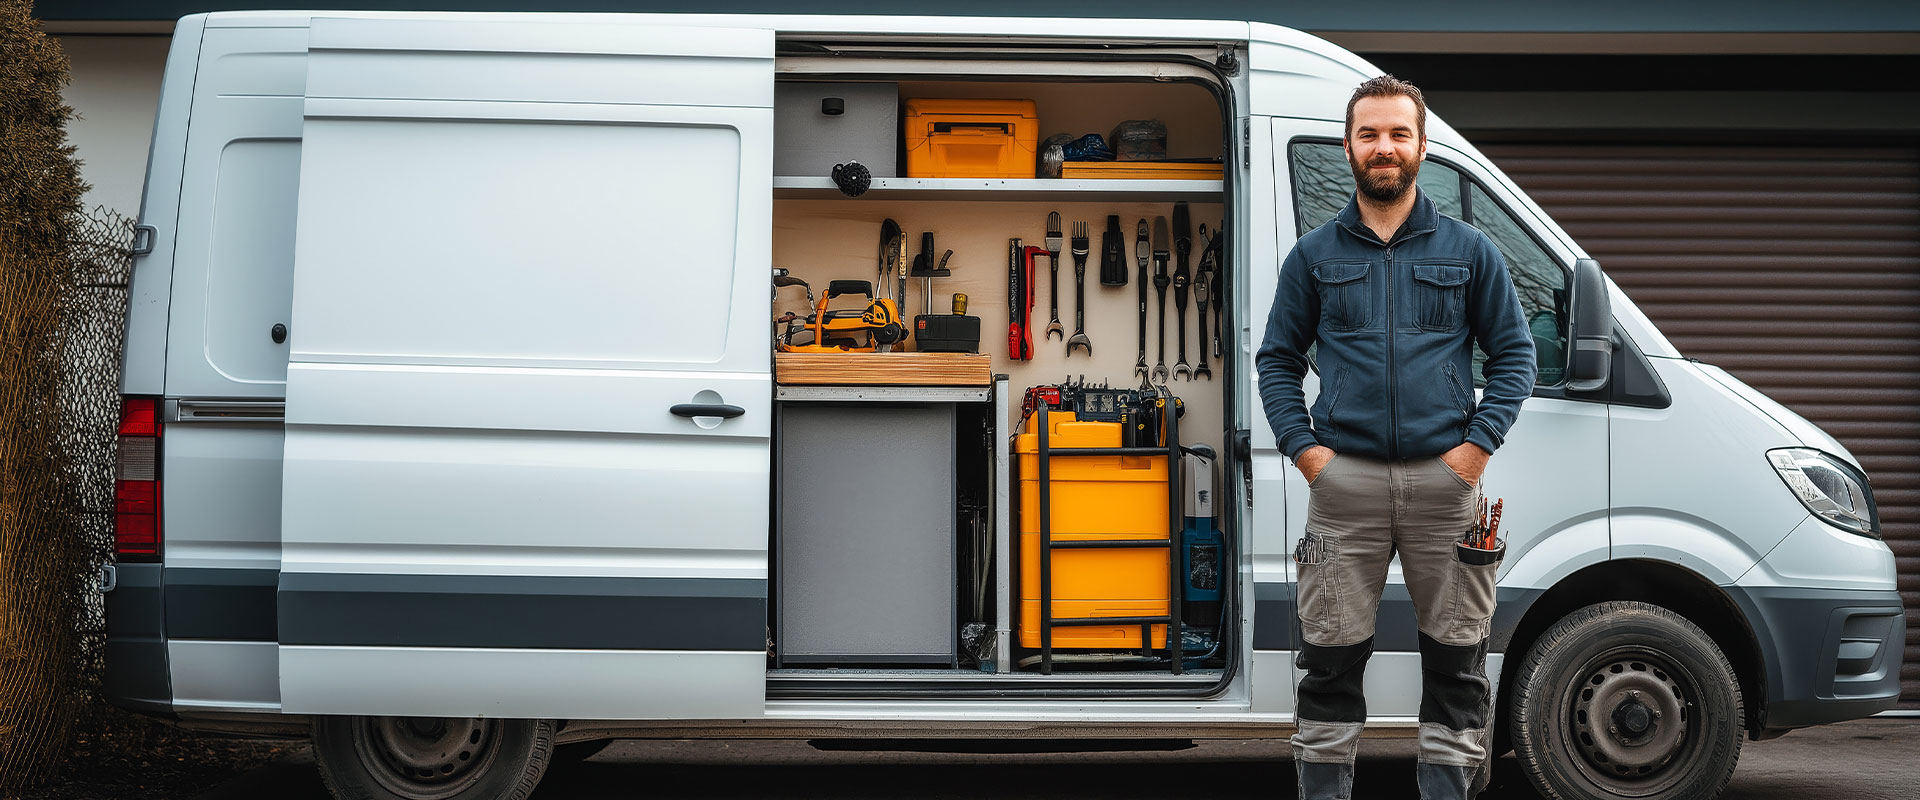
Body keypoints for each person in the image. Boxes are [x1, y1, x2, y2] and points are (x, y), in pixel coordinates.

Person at [1257, 75, 1537, 800]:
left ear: (1422, 145)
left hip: (1446, 489)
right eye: (1370, 134)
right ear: (1349, 146)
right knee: (1328, 659)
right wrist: (1309, 453)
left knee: (1457, 662)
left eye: (1398, 134)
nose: (1384, 148)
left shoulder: (1471, 251)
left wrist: (1475, 449)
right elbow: (1277, 361)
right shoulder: (1314, 256)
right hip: (1342, 486)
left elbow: (1515, 356)